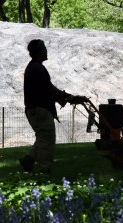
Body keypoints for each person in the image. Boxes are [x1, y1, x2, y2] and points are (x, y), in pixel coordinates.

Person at [19, 39, 85, 173]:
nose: (46, 51)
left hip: (35, 109)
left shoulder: (33, 67)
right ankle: (44, 168)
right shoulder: (38, 67)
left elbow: (44, 89)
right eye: (44, 49)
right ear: (40, 51)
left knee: (43, 137)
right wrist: (68, 97)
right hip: (40, 110)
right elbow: (49, 89)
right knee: (47, 139)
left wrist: (66, 97)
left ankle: (29, 160)